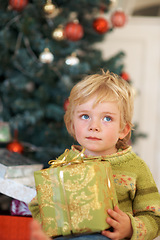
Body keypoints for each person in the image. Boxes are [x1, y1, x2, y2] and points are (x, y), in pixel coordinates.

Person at [29, 70, 160, 240]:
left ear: (123, 130)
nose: (94, 126)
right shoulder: (64, 162)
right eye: (85, 116)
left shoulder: (135, 167)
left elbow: (155, 217)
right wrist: (49, 225)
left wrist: (129, 228)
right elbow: (37, 204)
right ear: (72, 124)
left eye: (107, 118)